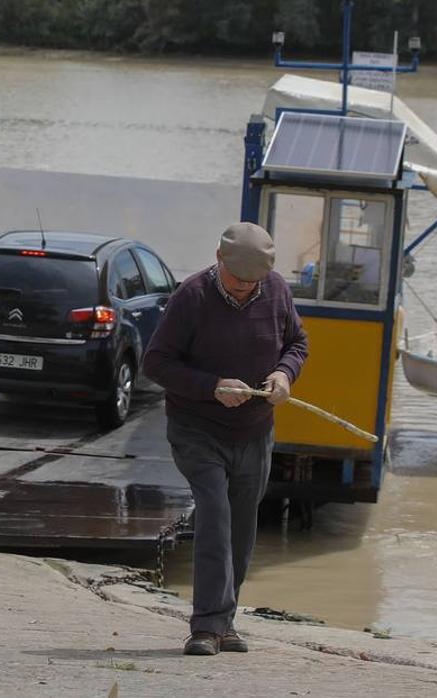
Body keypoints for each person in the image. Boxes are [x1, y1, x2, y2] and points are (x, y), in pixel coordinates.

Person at [142, 222, 308, 657]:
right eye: (237, 281)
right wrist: (212, 385)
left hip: (254, 431)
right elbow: (156, 364)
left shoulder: (275, 291)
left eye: (252, 283)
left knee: (242, 527)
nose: (243, 290)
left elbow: (297, 343)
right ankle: (205, 628)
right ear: (218, 258)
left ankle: (225, 623)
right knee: (215, 515)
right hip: (197, 429)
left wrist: (282, 374)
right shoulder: (191, 297)